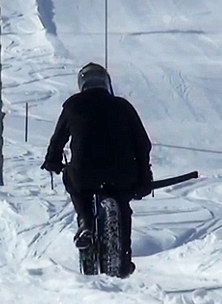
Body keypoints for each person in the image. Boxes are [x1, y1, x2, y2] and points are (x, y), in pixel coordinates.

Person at [41, 62, 152, 277]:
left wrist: (53, 161)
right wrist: (144, 177)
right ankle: (123, 261)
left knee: (72, 182)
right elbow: (142, 143)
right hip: (122, 174)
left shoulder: (72, 106)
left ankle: (85, 222)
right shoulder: (123, 106)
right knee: (123, 207)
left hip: (84, 173)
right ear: (106, 83)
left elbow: (58, 141)